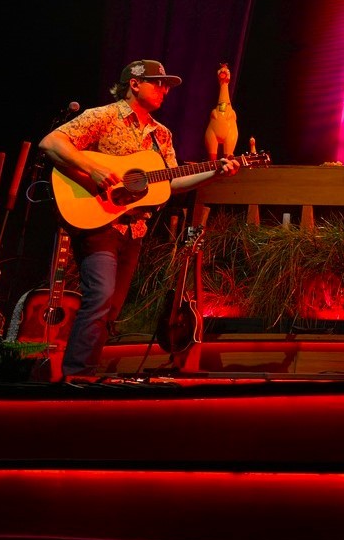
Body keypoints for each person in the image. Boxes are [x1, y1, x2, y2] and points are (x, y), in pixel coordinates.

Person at [39, 59, 239, 378]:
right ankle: (76, 376)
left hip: (134, 228)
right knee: (100, 295)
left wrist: (213, 172)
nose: (164, 90)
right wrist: (91, 169)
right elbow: (51, 143)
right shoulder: (103, 116)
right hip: (99, 220)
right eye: (157, 83)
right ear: (134, 84)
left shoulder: (161, 135)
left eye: (166, 85)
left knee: (112, 307)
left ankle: (85, 374)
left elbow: (171, 182)